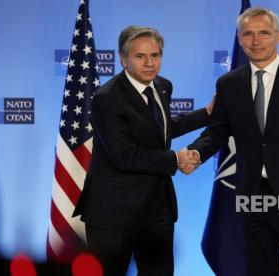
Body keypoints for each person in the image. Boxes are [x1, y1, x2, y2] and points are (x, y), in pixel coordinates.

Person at [182, 7, 279, 276]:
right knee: (259, 269)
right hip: (251, 192)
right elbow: (219, 130)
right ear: (240, 38)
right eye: (249, 34)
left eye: (263, 33)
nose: (256, 41)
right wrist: (197, 152)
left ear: (278, 36)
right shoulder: (229, 83)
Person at [73, 25, 212, 276]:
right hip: (115, 215)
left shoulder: (162, 86)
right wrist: (175, 158)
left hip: (158, 210)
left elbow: (161, 129)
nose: (150, 63)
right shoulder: (107, 98)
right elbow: (124, 155)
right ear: (124, 59)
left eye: (155, 55)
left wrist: (206, 114)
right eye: (140, 56)